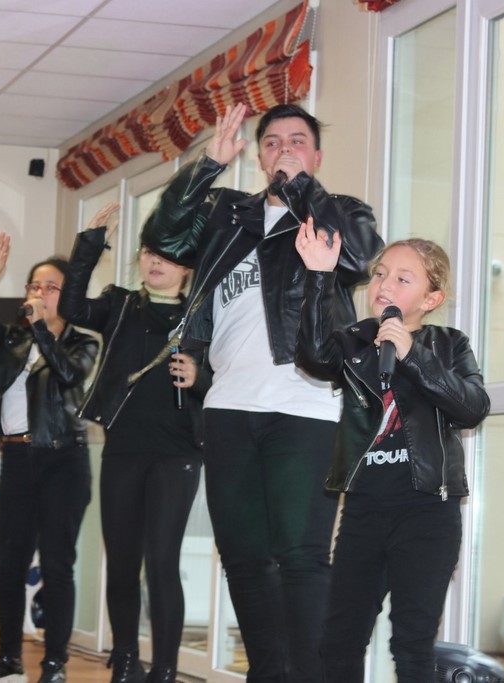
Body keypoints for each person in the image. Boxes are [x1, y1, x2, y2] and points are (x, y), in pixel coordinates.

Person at [138, 102, 383, 682]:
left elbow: (356, 256)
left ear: (316, 156)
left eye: (297, 141)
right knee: (244, 559)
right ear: (257, 154)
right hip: (227, 407)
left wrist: (301, 191)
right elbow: (163, 235)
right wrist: (207, 167)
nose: (285, 150)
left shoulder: (342, 211)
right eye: (272, 142)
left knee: (300, 556)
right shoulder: (228, 214)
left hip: (305, 404)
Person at [294, 227, 490, 682]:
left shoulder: (449, 344)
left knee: (412, 641)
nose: (384, 284)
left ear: (431, 299)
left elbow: (472, 407)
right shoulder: (355, 341)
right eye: (380, 273)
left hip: (428, 512)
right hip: (364, 509)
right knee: (339, 640)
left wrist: (411, 354)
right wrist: (319, 277)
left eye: (403, 278)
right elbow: (313, 355)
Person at [58, 203, 209, 683]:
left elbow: (225, 377)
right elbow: (70, 308)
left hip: (178, 452)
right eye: (147, 252)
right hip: (123, 448)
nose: (154, 260)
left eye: (166, 255)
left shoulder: (202, 316)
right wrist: (90, 243)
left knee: (161, 561)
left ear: (187, 267)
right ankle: (125, 659)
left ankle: (164, 669)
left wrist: (200, 377)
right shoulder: (120, 304)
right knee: (122, 562)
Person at [0, 232, 99, 683]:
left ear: (69, 295)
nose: (39, 293)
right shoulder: (14, 339)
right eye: (34, 286)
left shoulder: (83, 342)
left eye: (50, 287)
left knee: (57, 565)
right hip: (18, 459)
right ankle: (8, 659)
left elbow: (68, 374)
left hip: (64, 461)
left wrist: (41, 328)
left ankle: (54, 664)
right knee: (10, 562)